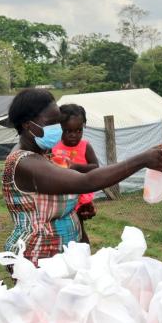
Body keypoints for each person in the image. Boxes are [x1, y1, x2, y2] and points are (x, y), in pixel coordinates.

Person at [3, 88, 162, 265]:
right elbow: (85, 181)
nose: (58, 128)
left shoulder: (42, 154)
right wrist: (142, 160)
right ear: (27, 124)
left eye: (59, 122)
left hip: (61, 256)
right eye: (51, 122)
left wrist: (76, 208)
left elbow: (54, 197)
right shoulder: (25, 163)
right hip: (37, 260)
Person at [52, 103, 98, 244]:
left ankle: (85, 252)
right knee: (64, 229)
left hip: (81, 196)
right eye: (68, 131)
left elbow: (95, 166)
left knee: (79, 228)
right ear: (60, 127)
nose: (74, 135)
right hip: (62, 196)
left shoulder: (85, 146)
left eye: (78, 131)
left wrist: (76, 167)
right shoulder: (54, 147)